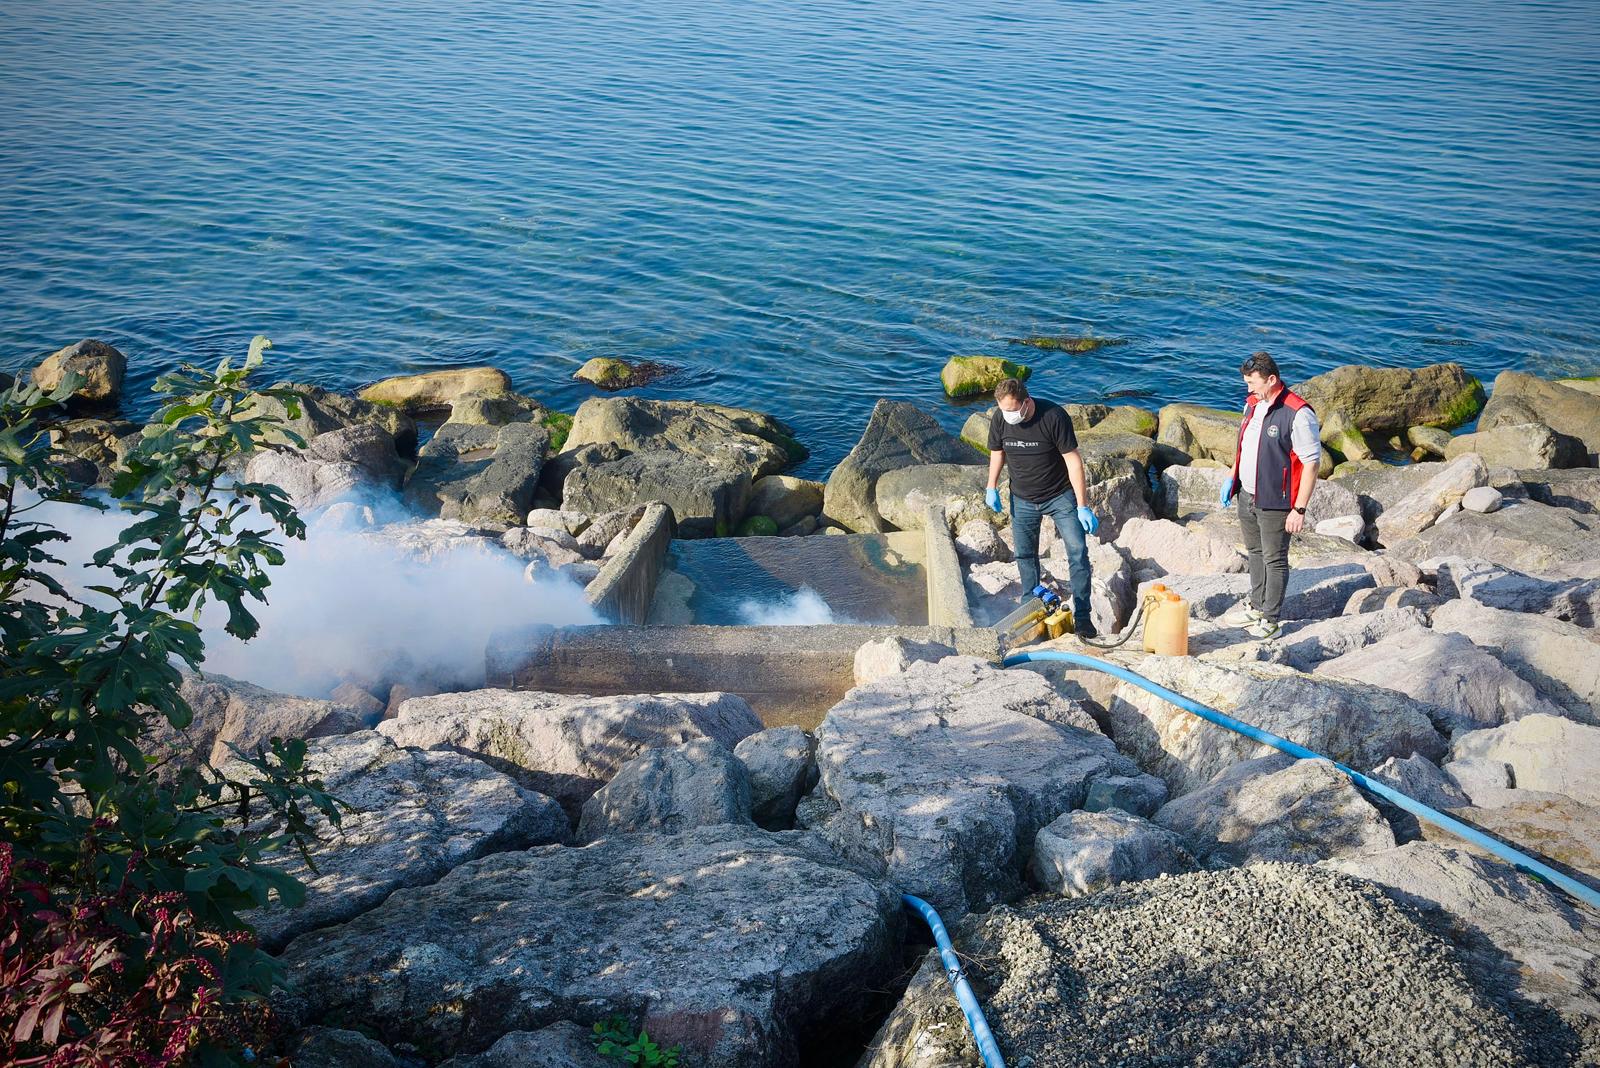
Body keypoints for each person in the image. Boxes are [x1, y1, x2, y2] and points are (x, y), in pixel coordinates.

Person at [984, 378, 1100, 639]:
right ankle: (1030, 610)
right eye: (1004, 410)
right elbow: (997, 453)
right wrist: (991, 486)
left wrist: (1082, 506)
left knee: (1078, 553)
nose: (1009, 416)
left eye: (1014, 410)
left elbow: (1073, 462)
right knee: (1025, 557)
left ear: (1027, 402)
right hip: (1022, 498)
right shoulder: (1000, 419)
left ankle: (1082, 617)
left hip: (1059, 496)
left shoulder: (1054, 416)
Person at [1219, 351, 1322, 640]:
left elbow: (1311, 463)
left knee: (1275, 559)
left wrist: (1299, 509)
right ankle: (1256, 605)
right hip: (1247, 493)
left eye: (1252, 382)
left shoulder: (1298, 413)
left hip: (1277, 499)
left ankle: (1271, 619)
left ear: (1272, 379)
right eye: (1246, 382)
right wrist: (1232, 477)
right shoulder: (1252, 404)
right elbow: (1244, 445)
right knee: (1254, 552)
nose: (1248, 388)